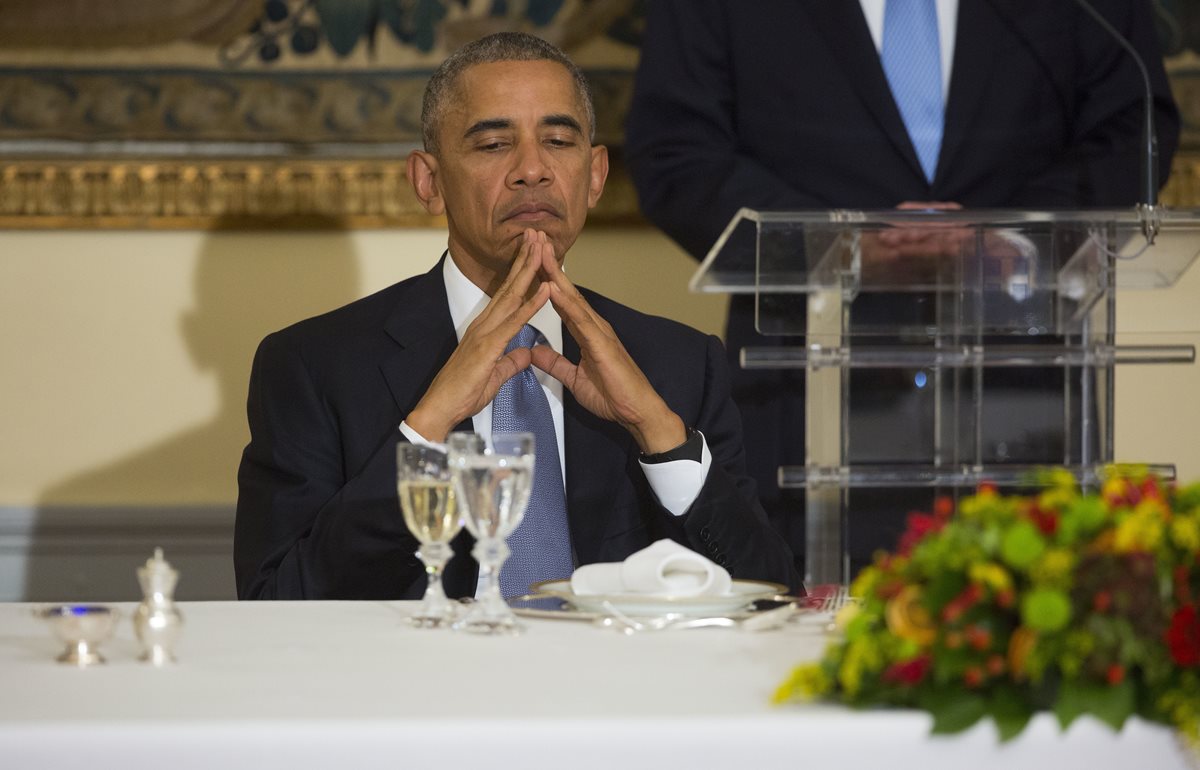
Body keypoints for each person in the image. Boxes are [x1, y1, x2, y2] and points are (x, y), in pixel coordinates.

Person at [234, 31, 802, 600]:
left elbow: (770, 594)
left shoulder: (679, 364)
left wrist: (659, 434)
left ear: (596, 176)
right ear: (429, 182)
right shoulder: (314, 365)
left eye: (557, 140)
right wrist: (428, 427)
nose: (533, 169)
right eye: (492, 145)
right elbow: (277, 601)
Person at [625, 0, 1180, 575]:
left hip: (1023, 396)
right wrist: (841, 247)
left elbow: (1134, 129)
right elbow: (676, 150)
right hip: (805, 398)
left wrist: (1012, 236)